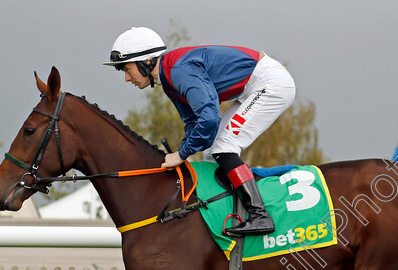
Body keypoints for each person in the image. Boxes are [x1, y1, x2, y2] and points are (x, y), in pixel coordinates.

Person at [104, 27, 296, 236]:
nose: (126, 78)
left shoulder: (178, 70)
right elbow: (194, 123)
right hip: (252, 87)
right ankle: (230, 211)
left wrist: (181, 154)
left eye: (126, 69)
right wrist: (182, 152)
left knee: (224, 147)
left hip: (270, 84)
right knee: (211, 152)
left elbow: (209, 117)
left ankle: (260, 215)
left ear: (146, 61)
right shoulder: (169, 79)